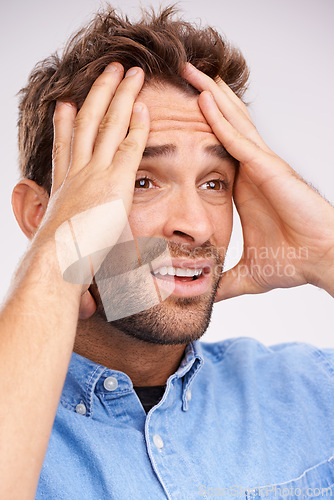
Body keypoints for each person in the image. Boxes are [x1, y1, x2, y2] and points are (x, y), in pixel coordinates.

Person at [1, 5, 334, 499]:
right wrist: (59, 257)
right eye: (141, 180)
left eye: (214, 182)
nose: (197, 227)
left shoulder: (311, 391)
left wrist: (327, 253)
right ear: (37, 214)